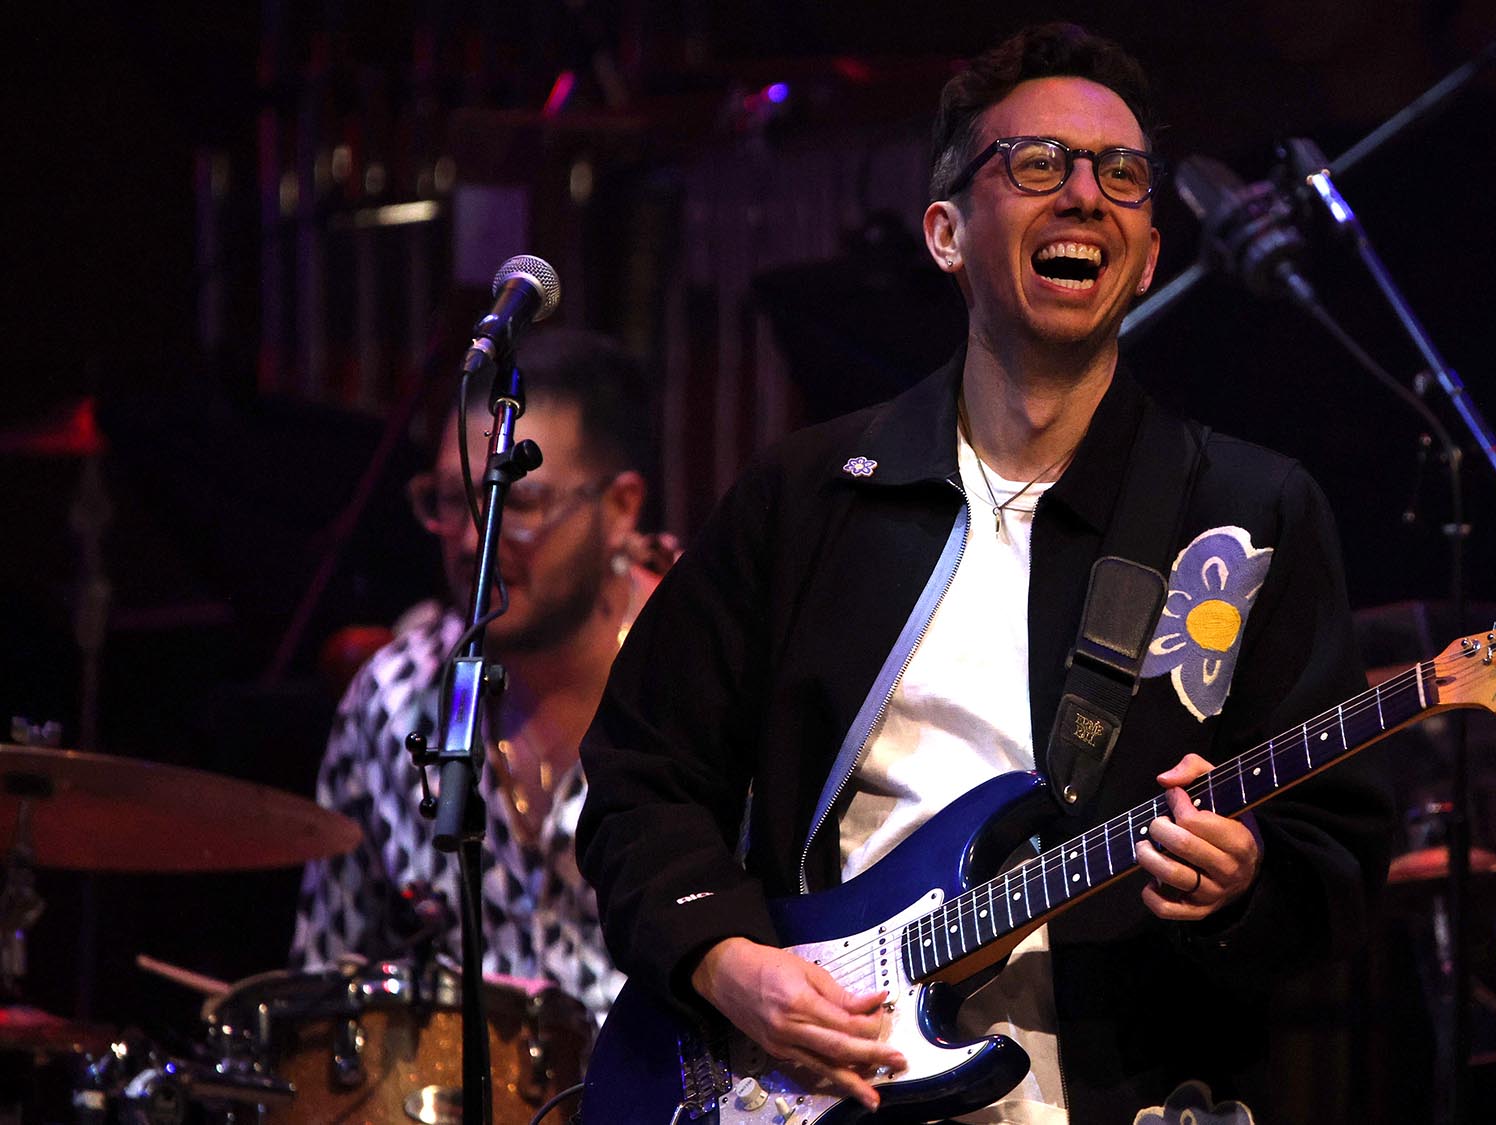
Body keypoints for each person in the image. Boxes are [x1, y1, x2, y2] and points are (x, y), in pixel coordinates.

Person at [578, 24, 1391, 1125]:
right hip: (812, 1084)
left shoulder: (1248, 514)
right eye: (1039, 164)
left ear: (1149, 255)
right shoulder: (816, 493)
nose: (1085, 197)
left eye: (1123, 175)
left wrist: (1244, 884)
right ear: (947, 232)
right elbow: (642, 774)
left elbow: (1336, 857)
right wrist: (725, 961)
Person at [291, 329, 669, 1023]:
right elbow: (328, 988)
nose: (473, 539)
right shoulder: (392, 698)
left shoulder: (693, 687)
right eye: (453, 498)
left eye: (516, 505)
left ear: (619, 509)